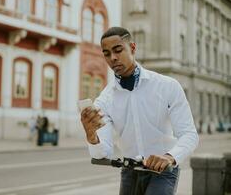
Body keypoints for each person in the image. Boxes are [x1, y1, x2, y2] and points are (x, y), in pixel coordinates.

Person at [80, 27, 199, 195]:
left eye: (118, 50)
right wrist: (91, 137)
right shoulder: (104, 100)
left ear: (133, 48)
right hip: (129, 172)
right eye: (106, 54)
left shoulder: (167, 86)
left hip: (163, 170)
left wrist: (170, 157)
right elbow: (103, 153)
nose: (113, 58)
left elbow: (189, 134)